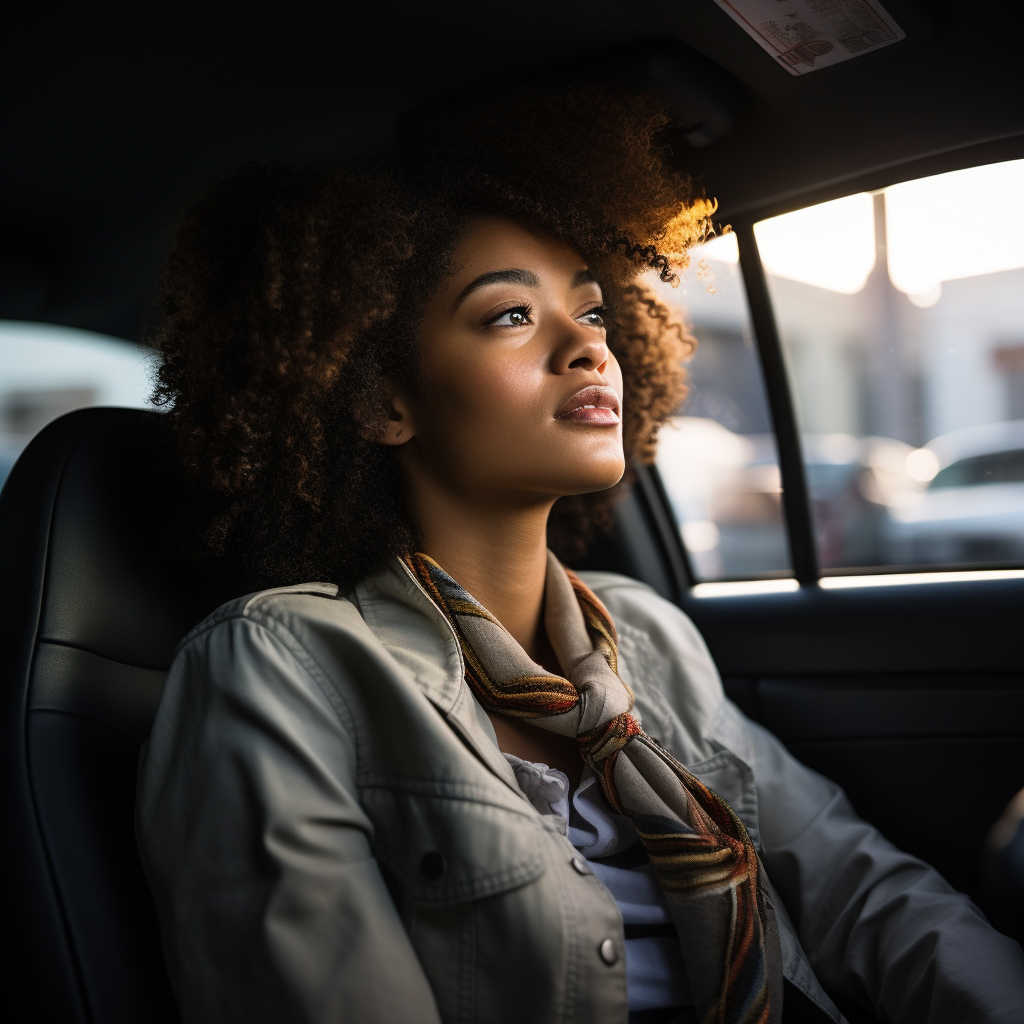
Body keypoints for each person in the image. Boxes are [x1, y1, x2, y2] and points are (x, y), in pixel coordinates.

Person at [137, 91, 1024, 1024]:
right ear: (378, 403)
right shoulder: (281, 666)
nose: (587, 349)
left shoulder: (644, 633)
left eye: (595, 313)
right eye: (511, 316)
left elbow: (859, 888)